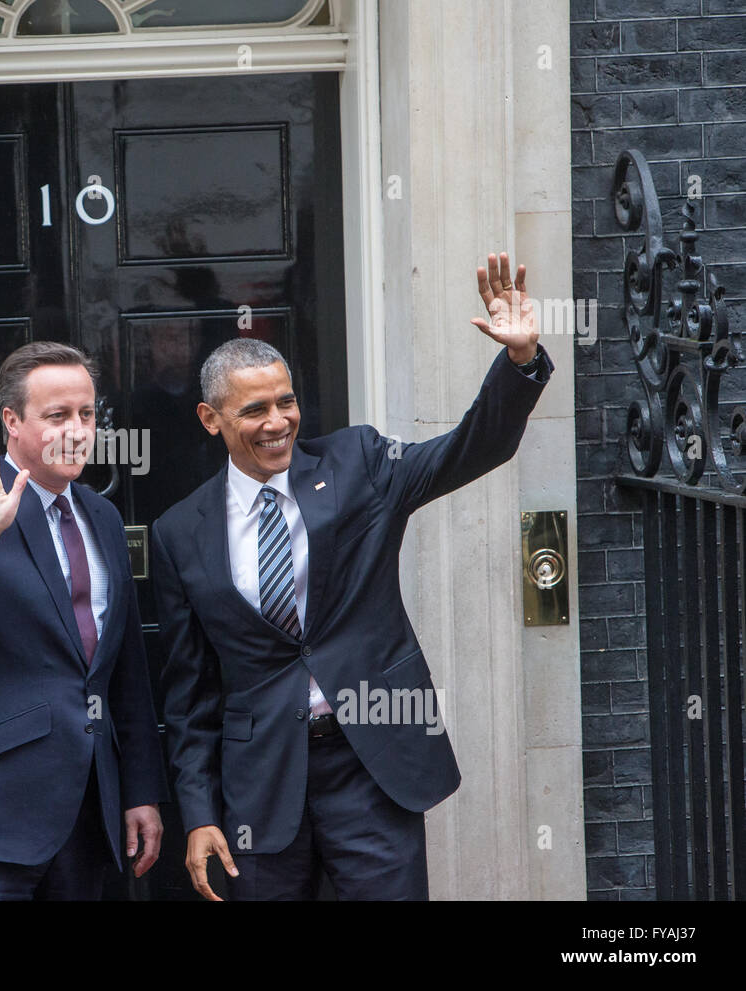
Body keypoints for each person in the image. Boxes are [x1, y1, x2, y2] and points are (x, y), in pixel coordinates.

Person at [151, 252, 555, 900]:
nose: (278, 421)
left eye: (286, 402)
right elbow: (189, 694)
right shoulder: (179, 532)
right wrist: (198, 813)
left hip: (370, 765)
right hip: (260, 786)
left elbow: (470, 447)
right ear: (211, 418)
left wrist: (519, 363)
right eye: (254, 409)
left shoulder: (358, 464)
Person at [0, 340, 169, 899]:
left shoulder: (101, 515)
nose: (76, 430)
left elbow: (124, 670)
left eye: (86, 414)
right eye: (56, 416)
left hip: (87, 818)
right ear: (12, 422)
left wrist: (140, 791)